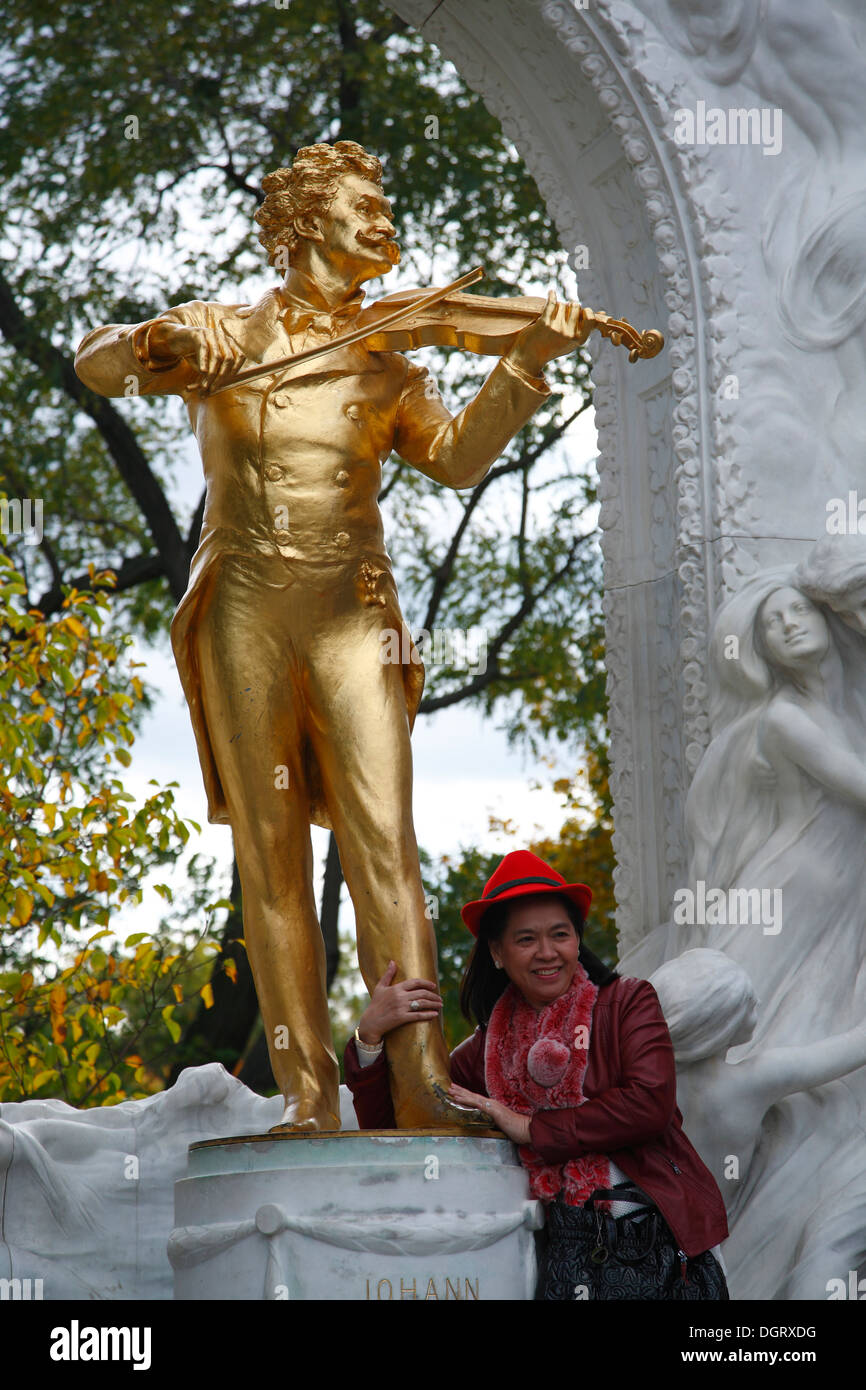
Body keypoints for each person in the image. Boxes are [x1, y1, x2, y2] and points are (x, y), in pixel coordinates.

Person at [73, 141, 591, 1133]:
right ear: (306, 221)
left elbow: (455, 459)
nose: (381, 219)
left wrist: (524, 358)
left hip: (353, 610)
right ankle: (306, 1094)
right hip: (241, 607)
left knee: (383, 842)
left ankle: (422, 1084)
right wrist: (152, 344)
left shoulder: (387, 361)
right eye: (365, 202)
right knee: (266, 860)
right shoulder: (219, 334)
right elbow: (97, 366)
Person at [345, 849, 729, 1300]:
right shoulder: (485, 1052)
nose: (547, 953)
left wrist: (531, 1128)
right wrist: (369, 1035)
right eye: (526, 939)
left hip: (656, 1241)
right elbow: (402, 1125)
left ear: (577, 941)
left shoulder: (628, 1002)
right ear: (497, 952)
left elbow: (649, 1104)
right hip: (562, 1258)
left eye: (560, 935)